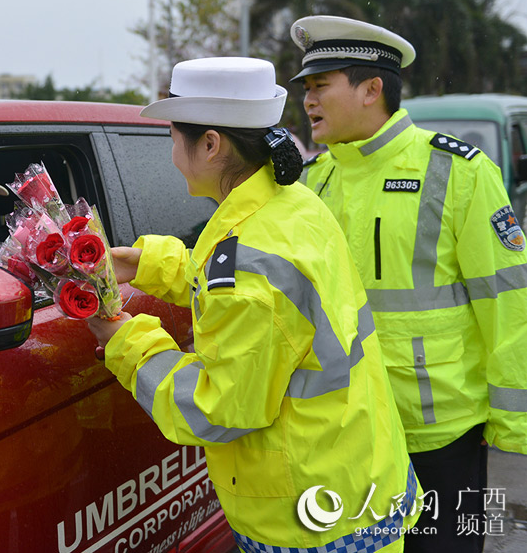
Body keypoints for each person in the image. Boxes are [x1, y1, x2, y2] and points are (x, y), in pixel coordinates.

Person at [87, 57, 419, 551]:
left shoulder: (251, 260)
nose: (173, 155)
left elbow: (218, 409)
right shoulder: (290, 204)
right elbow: (243, 284)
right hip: (355, 470)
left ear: (211, 143)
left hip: (308, 516)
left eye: (174, 139)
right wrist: (147, 263)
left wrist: (123, 339)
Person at [289, 15, 527, 552]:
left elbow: (509, 301)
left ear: (373, 88)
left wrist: (514, 426)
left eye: (321, 85)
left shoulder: (459, 171)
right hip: (351, 430)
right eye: (306, 88)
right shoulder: (316, 179)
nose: (308, 102)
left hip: (442, 434)